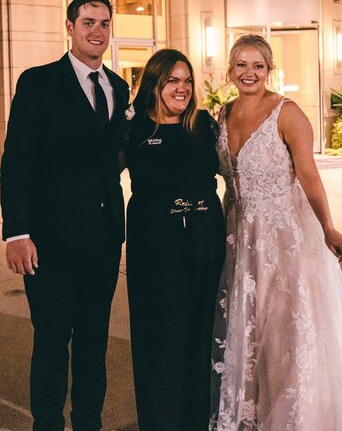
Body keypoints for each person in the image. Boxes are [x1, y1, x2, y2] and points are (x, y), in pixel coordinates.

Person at [210, 34, 342, 431]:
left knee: (283, 331)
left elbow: (309, 175)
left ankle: (291, 416)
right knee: (249, 327)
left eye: (258, 66)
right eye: (241, 65)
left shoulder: (287, 113)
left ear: (269, 69)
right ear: (230, 71)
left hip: (284, 239)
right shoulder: (222, 113)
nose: (249, 73)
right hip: (239, 236)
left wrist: (328, 226)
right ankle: (252, 409)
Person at [0, 0, 129, 431]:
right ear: (70, 27)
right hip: (49, 241)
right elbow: (17, 159)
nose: (97, 31)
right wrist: (16, 232)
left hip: (104, 239)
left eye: (105, 23)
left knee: (94, 343)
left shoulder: (118, 86)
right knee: (53, 341)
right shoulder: (38, 82)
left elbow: (112, 157)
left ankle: (88, 423)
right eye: (88, 22)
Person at [122, 49, 226, 431]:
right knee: (158, 335)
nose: (181, 89)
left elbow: (236, 171)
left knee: (201, 332)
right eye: (172, 81)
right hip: (153, 245)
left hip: (203, 241)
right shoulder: (133, 128)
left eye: (186, 81)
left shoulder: (204, 125)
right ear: (155, 83)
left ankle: (198, 421)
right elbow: (96, 171)